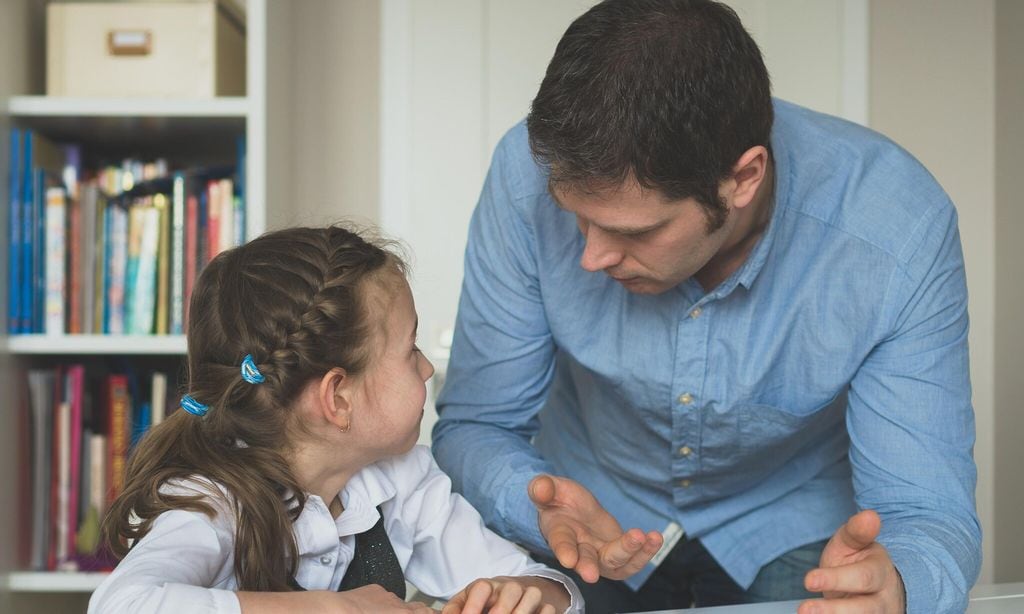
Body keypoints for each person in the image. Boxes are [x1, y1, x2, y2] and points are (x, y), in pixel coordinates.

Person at [432, 1, 981, 613]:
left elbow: (924, 509)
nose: (590, 259)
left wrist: (900, 586)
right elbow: (479, 423)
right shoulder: (522, 177)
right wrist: (531, 502)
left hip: (789, 524)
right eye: (577, 220)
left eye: (636, 232)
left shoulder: (896, 232)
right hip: (584, 512)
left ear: (743, 178)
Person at [89, 226, 583, 614]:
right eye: (410, 349)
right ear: (337, 398)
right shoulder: (211, 502)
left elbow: (552, 590)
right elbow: (121, 606)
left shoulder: (402, 478)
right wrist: (335, 608)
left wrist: (526, 593)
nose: (428, 367)